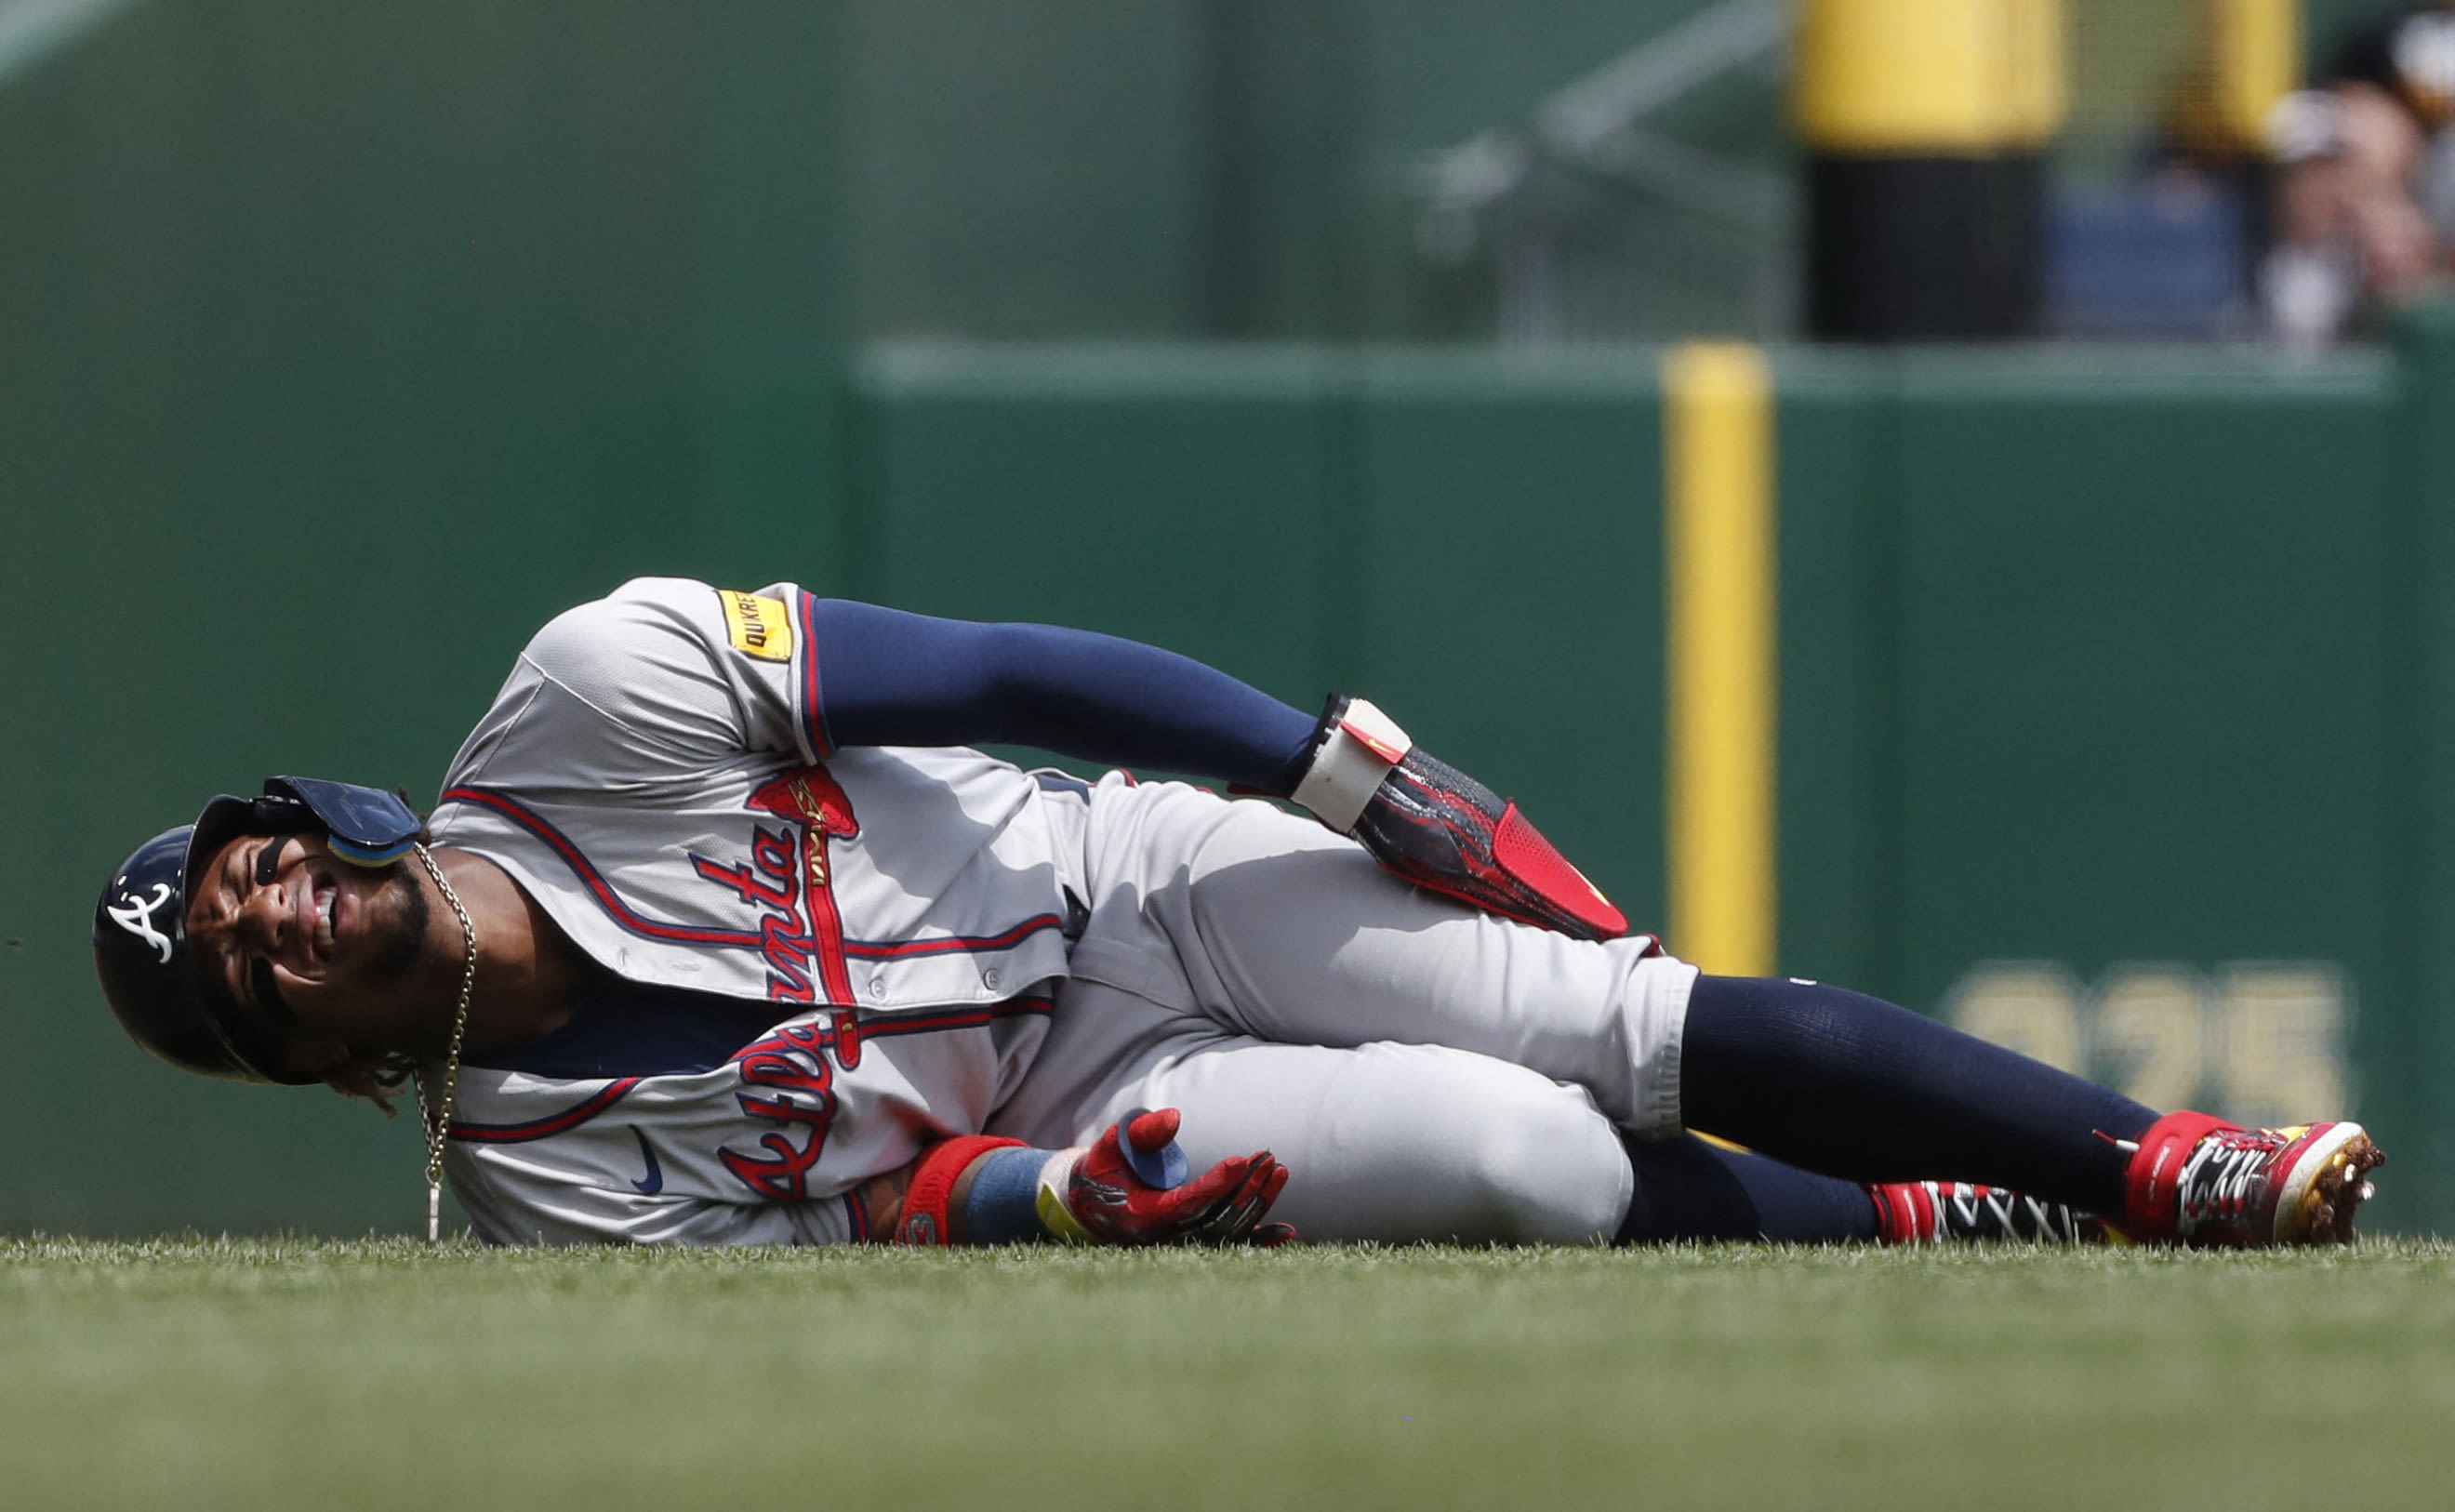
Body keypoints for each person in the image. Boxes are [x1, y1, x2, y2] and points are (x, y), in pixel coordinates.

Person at [94, 577, 2384, 1250]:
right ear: (298, 1062)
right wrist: (1064, 1213)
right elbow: (868, 1244)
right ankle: (1914, 1229)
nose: (262, 909)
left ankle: (2148, 1162)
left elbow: (1013, 675)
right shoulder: (542, 1196)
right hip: (1099, 1097)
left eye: (251, 860)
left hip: (1134, 877)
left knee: (1611, 1021)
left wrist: (1356, 776)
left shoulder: (591, 692)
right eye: (224, 959)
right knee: (1528, 1168)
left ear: (329, 812)